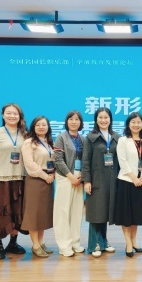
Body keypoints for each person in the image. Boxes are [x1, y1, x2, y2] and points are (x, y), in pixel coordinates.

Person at [0, 103, 27, 260]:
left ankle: (13, 243)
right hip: (0, 179)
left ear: (19, 116)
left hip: (20, 179)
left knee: (17, 212)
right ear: (3, 115)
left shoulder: (25, 134)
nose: (12, 116)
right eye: (8, 113)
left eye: (15, 113)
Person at [113, 112, 142, 257]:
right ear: (128, 124)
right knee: (126, 215)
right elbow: (122, 161)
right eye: (133, 122)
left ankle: (134, 241)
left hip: (141, 182)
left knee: (136, 214)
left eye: (139, 122)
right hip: (126, 181)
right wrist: (134, 178)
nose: (136, 125)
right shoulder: (123, 140)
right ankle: (128, 243)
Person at [82, 107, 120, 258]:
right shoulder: (90, 137)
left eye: (106, 117)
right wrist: (86, 180)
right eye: (100, 117)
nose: (103, 120)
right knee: (96, 212)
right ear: (96, 120)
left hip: (112, 180)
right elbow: (86, 160)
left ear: (110, 119)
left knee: (105, 211)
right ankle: (94, 244)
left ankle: (103, 242)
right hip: (96, 179)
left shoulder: (116, 137)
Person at [20, 116, 55, 258]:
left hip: (48, 180)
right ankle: (35, 245)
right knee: (33, 214)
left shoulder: (49, 143)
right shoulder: (29, 143)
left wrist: (52, 174)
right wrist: (45, 176)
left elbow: (53, 161)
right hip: (35, 180)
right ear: (33, 127)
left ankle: (41, 243)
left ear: (48, 127)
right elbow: (29, 164)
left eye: (44, 125)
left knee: (43, 214)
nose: (41, 127)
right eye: (38, 125)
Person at [53, 110, 86, 257]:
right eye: (71, 119)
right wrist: (70, 176)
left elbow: (86, 159)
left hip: (79, 178)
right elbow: (58, 160)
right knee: (63, 212)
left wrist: (82, 175)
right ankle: (64, 245)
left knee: (77, 211)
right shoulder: (61, 137)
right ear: (67, 121)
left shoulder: (82, 139)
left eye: (77, 119)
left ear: (80, 122)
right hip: (65, 177)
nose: (74, 122)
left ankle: (75, 242)